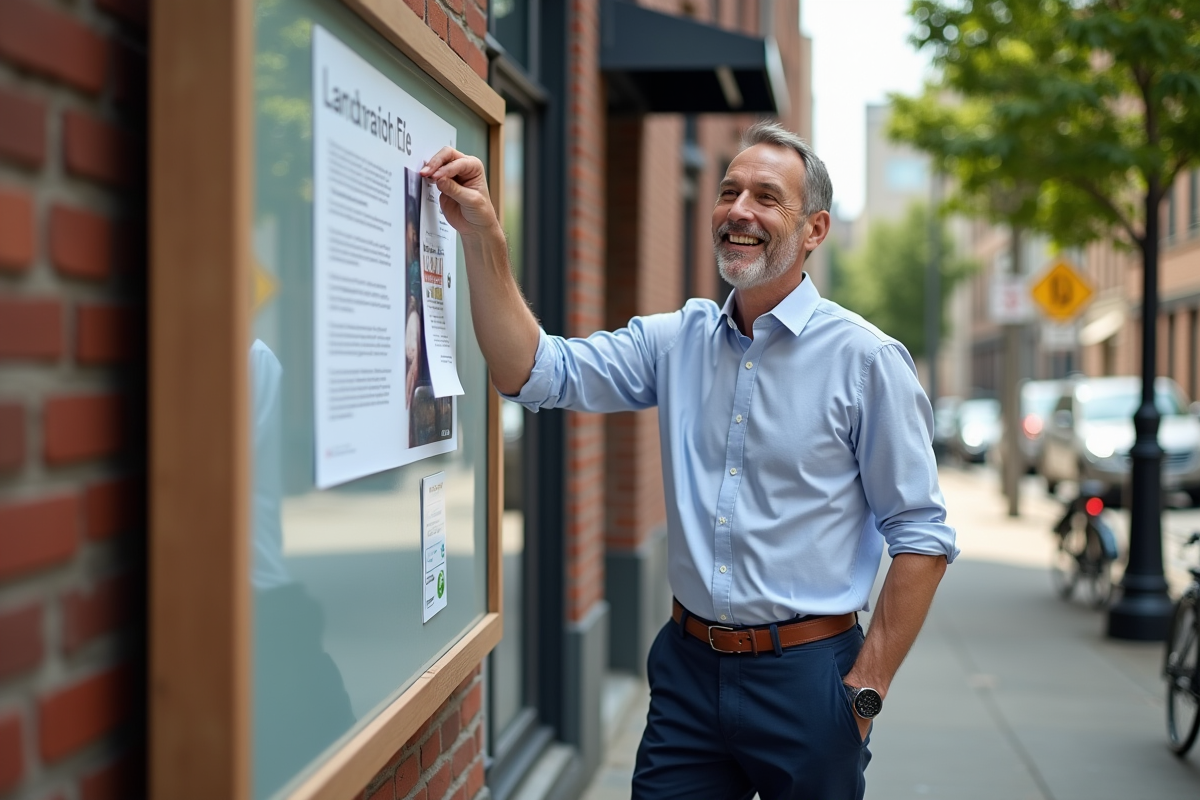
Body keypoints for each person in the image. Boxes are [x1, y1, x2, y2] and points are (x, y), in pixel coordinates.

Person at [420, 121, 958, 800]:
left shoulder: (866, 361)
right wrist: (484, 238)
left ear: (815, 230)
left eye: (767, 197)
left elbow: (922, 537)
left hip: (810, 682)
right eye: (729, 191)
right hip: (688, 674)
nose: (739, 210)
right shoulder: (678, 340)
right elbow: (533, 372)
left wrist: (864, 691)